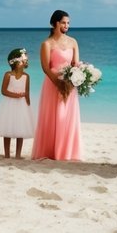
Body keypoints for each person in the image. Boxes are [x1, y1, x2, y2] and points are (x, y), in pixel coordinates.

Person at [31, 10, 82, 161]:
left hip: (70, 85)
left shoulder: (73, 42)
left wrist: (73, 82)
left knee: (68, 118)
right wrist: (59, 84)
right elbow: (46, 67)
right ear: (55, 23)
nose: (67, 25)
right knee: (55, 117)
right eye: (64, 22)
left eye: (68, 23)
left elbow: (76, 65)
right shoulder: (47, 44)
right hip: (53, 84)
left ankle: (67, 152)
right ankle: (51, 152)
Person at [0, 48, 35, 158]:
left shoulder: (26, 76)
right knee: (8, 128)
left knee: (20, 129)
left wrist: (28, 107)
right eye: (24, 58)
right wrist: (16, 95)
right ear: (16, 62)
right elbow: (3, 91)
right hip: (9, 105)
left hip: (22, 106)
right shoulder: (8, 75)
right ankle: (7, 154)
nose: (26, 60)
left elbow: (27, 92)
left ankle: (18, 155)